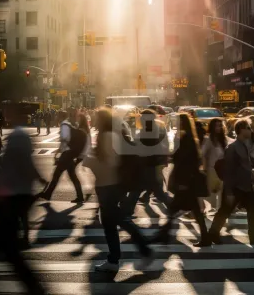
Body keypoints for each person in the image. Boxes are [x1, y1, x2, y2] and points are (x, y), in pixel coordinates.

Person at [0, 127, 46, 294]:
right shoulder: (20, 135)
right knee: (9, 250)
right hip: (16, 198)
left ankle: (35, 288)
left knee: (2, 247)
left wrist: (0, 194)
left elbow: (16, 169)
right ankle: (35, 288)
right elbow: (27, 165)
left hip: (11, 199)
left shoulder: (17, 136)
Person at [87, 108, 154, 272]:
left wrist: (88, 160)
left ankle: (143, 249)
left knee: (118, 220)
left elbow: (111, 163)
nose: (93, 119)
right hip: (110, 185)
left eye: (95, 117)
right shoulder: (110, 135)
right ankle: (113, 260)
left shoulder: (107, 136)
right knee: (110, 223)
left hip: (109, 186)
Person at [152, 113, 211, 247]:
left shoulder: (187, 139)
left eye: (178, 122)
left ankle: (164, 235)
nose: (176, 124)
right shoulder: (188, 138)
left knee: (175, 209)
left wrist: (183, 182)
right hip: (187, 181)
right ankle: (165, 235)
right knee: (190, 210)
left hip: (186, 182)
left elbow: (188, 162)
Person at [209, 120, 254, 246]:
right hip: (235, 187)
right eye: (247, 128)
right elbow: (228, 171)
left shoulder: (243, 145)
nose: (250, 130)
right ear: (241, 130)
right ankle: (212, 234)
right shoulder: (232, 148)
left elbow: (247, 166)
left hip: (246, 186)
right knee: (225, 211)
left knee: (253, 211)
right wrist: (229, 192)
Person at [121, 109, 171, 217]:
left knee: (149, 190)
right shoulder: (154, 129)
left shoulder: (148, 131)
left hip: (147, 164)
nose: (139, 119)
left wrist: (132, 144)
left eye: (141, 117)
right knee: (141, 189)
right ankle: (127, 210)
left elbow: (144, 147)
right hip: (149, 164)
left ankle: (174, 207)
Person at [40, 109, 84, 203]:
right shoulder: (67, 124)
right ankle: (80, 196)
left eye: (57, 116)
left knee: (57, 175)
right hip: (68, 153)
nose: (56, 118)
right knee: (71, 176)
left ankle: (48, 194)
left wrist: (59, 150)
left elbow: (65, 139)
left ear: (60, 117)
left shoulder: (64, 125)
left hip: (66, 154)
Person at [202, 118, 227, 210]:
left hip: (223, 169)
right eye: (216, 126)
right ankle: (200, 207)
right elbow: (203, 154)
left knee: (222, 190)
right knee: (210, 191)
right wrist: (205, 168)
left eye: (220, 125)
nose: (219, 128)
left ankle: (220, 210)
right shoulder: (209, 140)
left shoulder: (223, 140)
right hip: (212, 169)